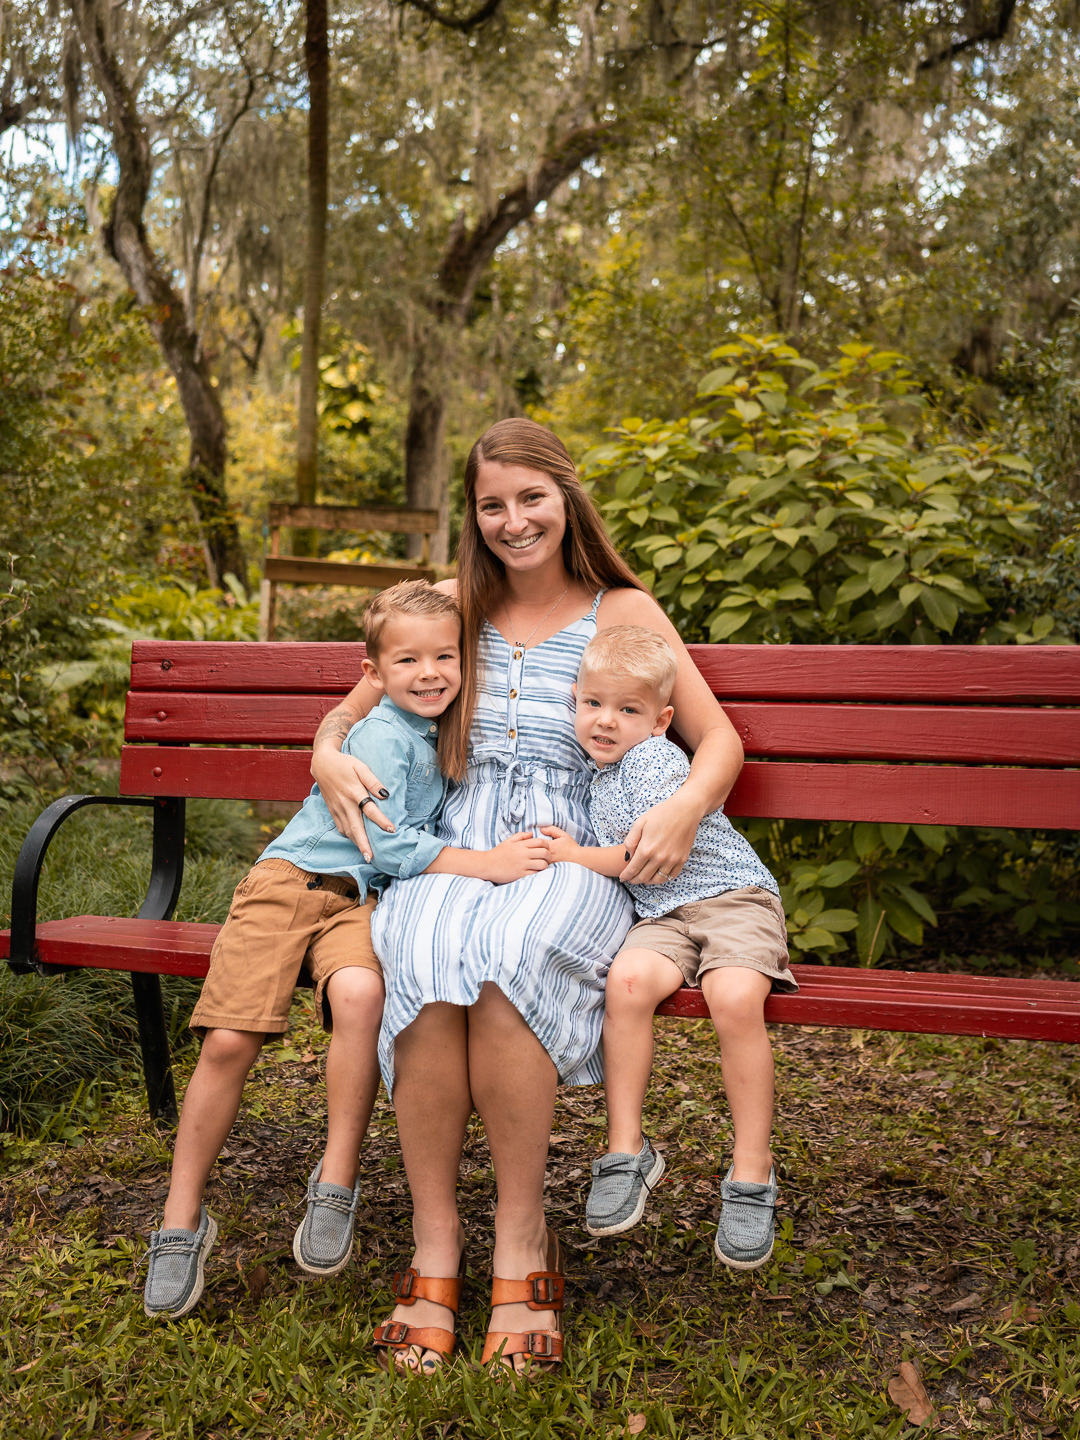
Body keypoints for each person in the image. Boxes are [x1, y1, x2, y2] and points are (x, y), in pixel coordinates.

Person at [309, 418, 746, 1374]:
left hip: (574, 845)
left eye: (531, 499)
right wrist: (325, 748)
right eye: (492, 505)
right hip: (457, 840)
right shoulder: (458, 605)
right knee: (415, 953)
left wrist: (680, 809)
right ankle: (435, 1246)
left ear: (566, 497)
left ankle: (519, 1241)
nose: (514, 521)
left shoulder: (622, 607)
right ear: (473, 516)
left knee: (510, 960)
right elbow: (361, 690)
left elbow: (717, 740)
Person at [142, 582, 547, 1319]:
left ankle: (336, 1181)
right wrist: (482, 863)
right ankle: (180, 1217)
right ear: (375, 671)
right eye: (408, 661)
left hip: (358, 902)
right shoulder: (387, 735)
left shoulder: (435, 730)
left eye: (445, 658)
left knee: (361, 997)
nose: (430, 673)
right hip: (289, 883)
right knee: (231, 1039)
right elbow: (388, 842)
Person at [541, 625, 796, 1270]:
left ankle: (752, 1171)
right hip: (663, 914)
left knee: (733, 996)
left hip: (732, 900)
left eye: (628, 710)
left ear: (661, 721)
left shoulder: (653, 762)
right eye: (593, 704)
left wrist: (571, 854)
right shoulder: (601, 770)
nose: (605, 722)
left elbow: (639, 855)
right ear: (574, 700)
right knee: (625, 986)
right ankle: (626, 1148)